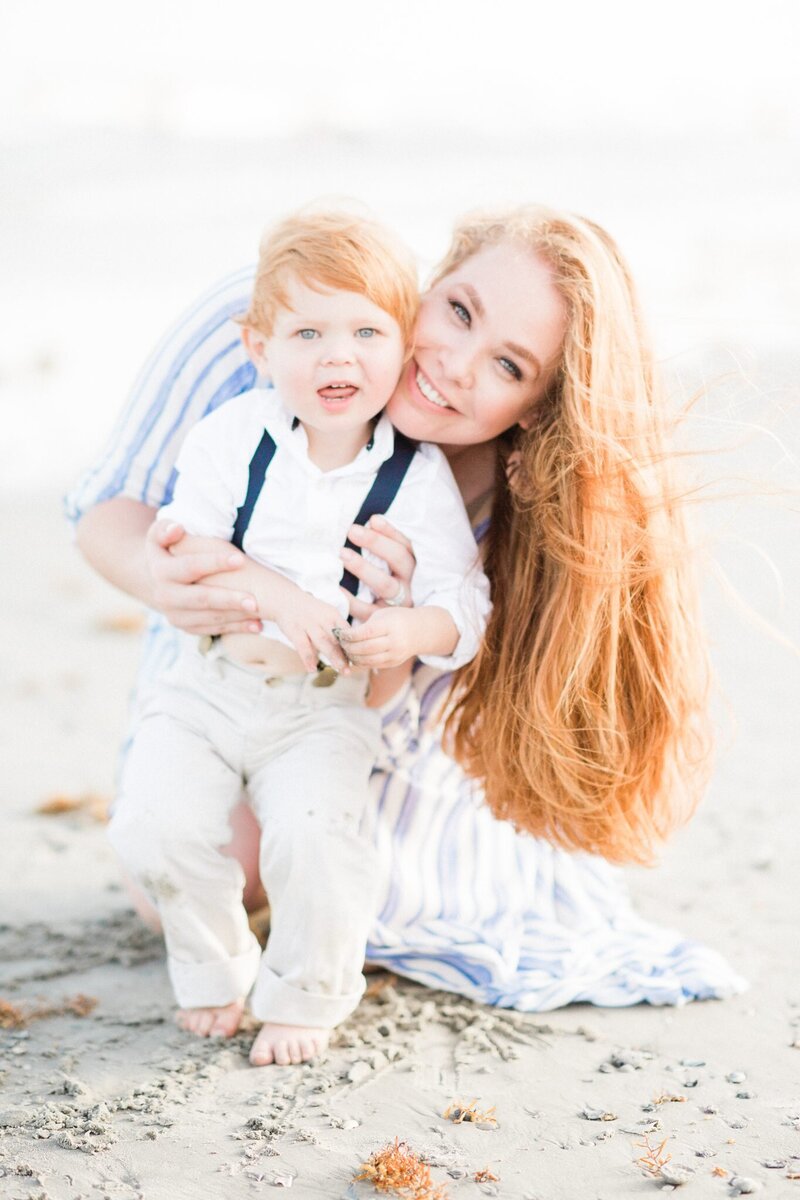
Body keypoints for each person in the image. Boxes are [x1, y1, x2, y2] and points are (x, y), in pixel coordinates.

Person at [68, 204, 746, 1064]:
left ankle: (307, 964)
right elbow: (106, 510)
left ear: (537, 408)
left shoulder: (493, 509)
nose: (454, 367)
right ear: (431, 279)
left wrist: (390, 628)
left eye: (507, 365)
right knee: (172, 861)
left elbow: (393, 693)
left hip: (349, 718)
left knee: (314, 858)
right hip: (215, 662)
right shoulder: (273, 322)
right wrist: (165, 577)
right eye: (458, 311)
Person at [105, 210, 491, 1067]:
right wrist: (278, 594)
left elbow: (465, 602)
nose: (337, 356)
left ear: (402, 350)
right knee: (152, 828)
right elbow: (185, 549)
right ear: (258, 346)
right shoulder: (229, 440)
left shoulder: (413, 476)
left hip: (322, 706)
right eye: (307, 332)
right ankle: (215, 965)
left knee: (317, 841)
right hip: (207, 686)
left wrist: (411, 628)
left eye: (365, 331)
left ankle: (308, 995)